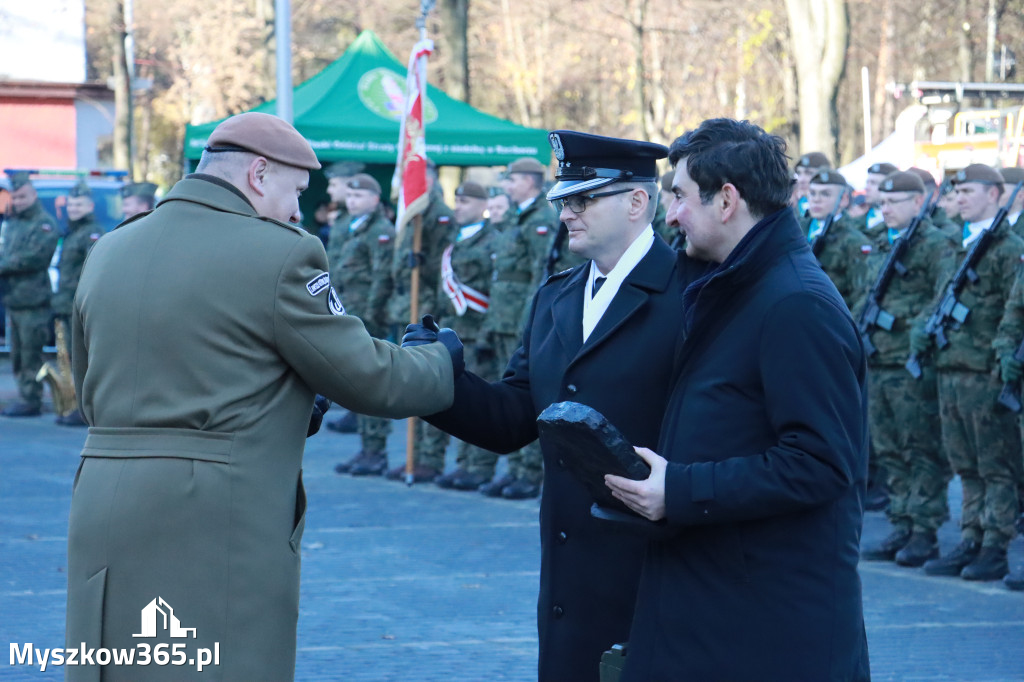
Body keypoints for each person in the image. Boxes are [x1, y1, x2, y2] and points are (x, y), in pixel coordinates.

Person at [64, 112, 459, 682]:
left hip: (103, 496)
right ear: (257, 173)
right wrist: (440, 360)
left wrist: (276, 404)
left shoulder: (111, 248)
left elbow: (93, 381)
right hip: (214, 507)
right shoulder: (281, 252)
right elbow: (370, 376)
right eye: (295, 191)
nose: (299, 210)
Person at [604, 117, 870, 682]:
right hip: (715, 608)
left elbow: (821, 464)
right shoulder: (727, 284)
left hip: (765, 630)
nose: (669, 214)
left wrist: (679, 489)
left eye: (677, 196)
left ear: (726, 200)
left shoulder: (796, 305)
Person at [421, 130, 689, 681]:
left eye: (583, 198)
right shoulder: (558, 294)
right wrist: (432, 380)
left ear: (637, 202)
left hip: (656, 569)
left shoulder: (689, 295)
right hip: (571, 577)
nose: (567, 212)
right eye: (564, 200)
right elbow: (516, 416)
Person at [915, 163, 1024, 582]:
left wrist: (1001, 362)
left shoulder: (1006, 248)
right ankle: (972, 537)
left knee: (995, 465)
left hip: (984, 373)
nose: (959, 198)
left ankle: (996, 544)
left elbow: (1010, 313)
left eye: (969, 192)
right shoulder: (961, 248)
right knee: (965, 465)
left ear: (996, 195)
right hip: (951, 370)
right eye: (956, 192)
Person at [855, 171, 954, 567]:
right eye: (883, 203)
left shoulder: (936, 244)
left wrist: (903, 325)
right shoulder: (879, 244)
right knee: (890, 449)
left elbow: (941, 297)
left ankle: (924, 531)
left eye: (895, 202)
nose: (886, 209)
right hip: (877, 360)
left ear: (918, 202)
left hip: (912, 365)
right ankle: (902, 521)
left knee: (921, 450)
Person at [473, 157, 557, 499]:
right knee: (510, 392)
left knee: (529, 396)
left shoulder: (541, 218)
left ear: (530, 181)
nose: (507, 186)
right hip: (504, 317)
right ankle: (516, 470)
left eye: (513, 180)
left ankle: (530, 473)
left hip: (524, 317)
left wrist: (531, 319)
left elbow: (543, 274)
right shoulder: (514, 217)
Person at [370, 159, 457, 482]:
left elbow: (445, 268)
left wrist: (422, 266)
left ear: (431, 179)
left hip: (428, 308)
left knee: (427, 381)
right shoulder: (410, 210)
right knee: (410, 383)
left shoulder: (438, 214)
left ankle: (429, 459)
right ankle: (413, 456)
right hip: (405, 305)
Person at [433, 181, 505, 491]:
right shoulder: (454, 240)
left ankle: (480, 466)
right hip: (454, 332)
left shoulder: (493, 240)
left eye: (465, 202)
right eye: (456, 201)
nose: (458, 206)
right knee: (460, 402)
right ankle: (463, 464)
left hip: (479, 333)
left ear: (482, 204)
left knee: (480, 403)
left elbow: (497, 291)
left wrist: (489, 332)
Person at [327, 173, 398, 476]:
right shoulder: (351, 227)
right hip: (349, 315)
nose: (353, 201)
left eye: (359, 197)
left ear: (374, 200)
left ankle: (376, 450)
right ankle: (366, 448)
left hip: (368, 318)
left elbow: (382, 277)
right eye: (350, 196)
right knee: (358, 383)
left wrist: (370, 314)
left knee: (372, 383)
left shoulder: (380, 231)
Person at [0, 171, 59, 417]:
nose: (19, 201)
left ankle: (32, 399)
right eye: (16, 197)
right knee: (17, 354)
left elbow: (35, 258)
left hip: (34, 301)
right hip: (14, 300)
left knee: (31, 353)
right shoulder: (13, 222)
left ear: (33, 195)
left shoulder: (44, 223)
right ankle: (25, 395)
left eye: (23, 196)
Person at [51, 179, 104, 427]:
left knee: (85, 361)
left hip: (80, 305)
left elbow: (94, 271)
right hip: (65, 304)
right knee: (70, 360)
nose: (74, 208)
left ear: (90, 205)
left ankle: (86, 410)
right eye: (71, 204)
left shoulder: (91, 232)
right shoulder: (71, 231)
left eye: (79, 204)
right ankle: (73, 405)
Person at [801, 169, 873, 310]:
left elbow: (860, 294)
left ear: (844, 199)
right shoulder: (797, 229)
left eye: (825, 194)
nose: (816, 199)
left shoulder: (854, 241)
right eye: (813, 193)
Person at [862, 161, 899, 235]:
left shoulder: (899, 223)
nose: (867, 188)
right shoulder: (857, 221)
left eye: (873, 183)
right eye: (867, 183)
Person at [790, 150, 831, 217]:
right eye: (799, 173)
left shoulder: (833, 209)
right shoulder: (795, 206)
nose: (801, 180)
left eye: (809, 173)